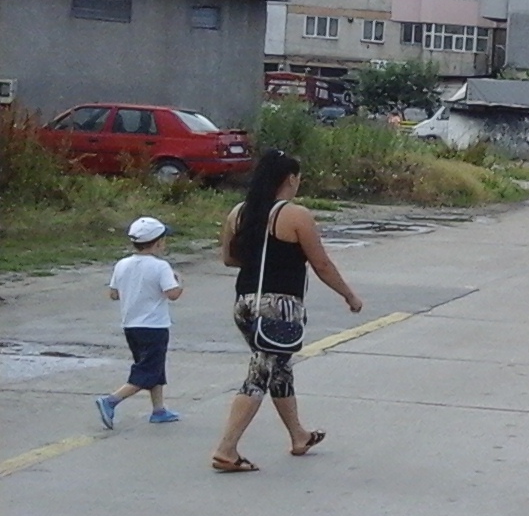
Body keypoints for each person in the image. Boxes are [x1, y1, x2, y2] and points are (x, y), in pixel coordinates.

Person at [209, 150, 363, 473]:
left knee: (278, 368)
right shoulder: (295, 215)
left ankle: (298, 435)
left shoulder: (239, 212)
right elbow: (321, 264)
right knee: (261, 372)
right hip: (279, 307)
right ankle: (226, 448)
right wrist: (348, 295)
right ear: (290, 179)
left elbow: (229, 258)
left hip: (245, 303)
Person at [96, 216, 184, 427]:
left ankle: (158, 409)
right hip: (154, 326)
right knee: (148, 370)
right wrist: (179, 281)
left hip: (131, 325)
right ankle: (111, 400)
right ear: (158, 243)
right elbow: (172, 294)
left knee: (153, 366)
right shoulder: (160, 266)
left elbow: (114, 294)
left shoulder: (122, 264)